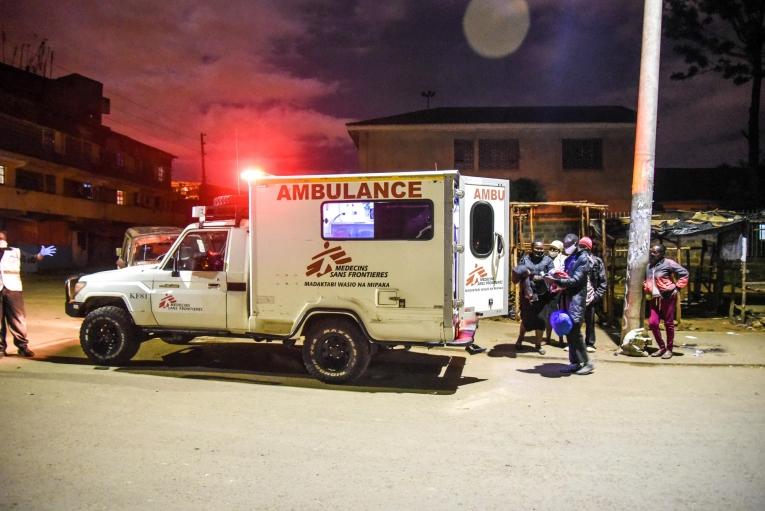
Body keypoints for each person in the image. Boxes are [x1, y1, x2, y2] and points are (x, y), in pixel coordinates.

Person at [0, 231, 56, 358]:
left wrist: (41, 254)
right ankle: (0, 348)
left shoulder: (15, 251)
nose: (1, 239)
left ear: (6, 239)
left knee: (18, 319)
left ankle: (22, 347)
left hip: (13, 289)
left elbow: (32, 258)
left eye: (2, 237)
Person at [544, 233, 594, 375]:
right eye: (564, 246)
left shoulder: (583, 259)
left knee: (576, 333)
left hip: (576, 301)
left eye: (568, 246)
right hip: (567, 299)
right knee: (569, 332)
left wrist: (556, 281)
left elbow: (576, 280)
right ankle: (575, 362)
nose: (566, 248)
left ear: (576, 243)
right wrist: (556, 275)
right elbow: (566, 275)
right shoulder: (570, 258)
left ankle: (587, 363)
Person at [643, 243, 689, 359]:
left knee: (668, 323)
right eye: (651, 251)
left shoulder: (668, 263)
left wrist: (677, 287)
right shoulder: (649, 266)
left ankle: (669, 349)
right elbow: (648, 279)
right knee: (653, 323)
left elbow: (684, 273)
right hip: (654, 298)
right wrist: (646, 286)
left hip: (667, 297)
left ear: (661, 254)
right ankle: (661, 347)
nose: (652, 253)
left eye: (655, 252)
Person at [515, 240, 553, 355]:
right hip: (527, 295)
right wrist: (527, 276)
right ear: (532, 248)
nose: (539, 250)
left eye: (541, 248)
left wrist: (542, 278)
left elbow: (552, 274)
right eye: (537, 248)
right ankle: (520, 339)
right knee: (526, 319)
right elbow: (519, 273)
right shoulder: (525, 259)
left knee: (541, 320)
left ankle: (538, 345)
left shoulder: (548, 260)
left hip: (543, 295)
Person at [580, 237, 607, 352]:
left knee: (590, 320)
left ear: (589, 248)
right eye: (580, 246)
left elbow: (603, 281)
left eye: (584, 247)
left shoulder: (597, 261)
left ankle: (590, 343)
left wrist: (596, 296)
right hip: (577, 296)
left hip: (590, 296)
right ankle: (575, 343)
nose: (582, 249)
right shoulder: (575, 260)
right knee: (575, 321)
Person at [545, 239, 566, 345]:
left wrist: (560, 286)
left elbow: (566, 275)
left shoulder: (564, 260)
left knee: (560, 315)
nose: (552, 250)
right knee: (549, 315)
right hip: (549, 291)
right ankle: (548, 338)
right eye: (551, 248)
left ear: (560, 250)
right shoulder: (546, 259)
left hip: (561, 291)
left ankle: (561, 339)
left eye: (555, 249)